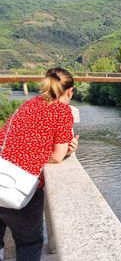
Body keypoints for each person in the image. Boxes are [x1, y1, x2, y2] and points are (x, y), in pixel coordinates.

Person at [0, 67, 79, 261]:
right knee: (30, 243)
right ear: (70, 91)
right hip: (18, 185)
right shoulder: (61, 111)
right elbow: (57, 156)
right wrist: (68, 150)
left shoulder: (29, 104)